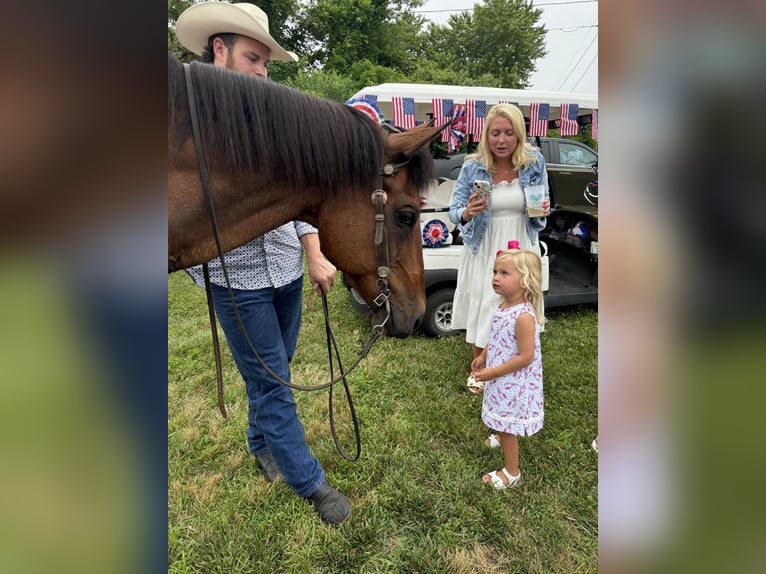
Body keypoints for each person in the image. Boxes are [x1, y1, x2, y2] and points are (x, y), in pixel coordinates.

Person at [175, 1, 350, 525]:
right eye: (254, 58)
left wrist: (314, 252)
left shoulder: (268, 121)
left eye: (267, 63)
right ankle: (311, 485)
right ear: (221, 50)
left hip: (284, 269)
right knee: (274, 380)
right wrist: (201, 265)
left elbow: (301, 197)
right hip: (237, 281)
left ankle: (259, 441)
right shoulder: (188, 123)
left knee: (275, 370)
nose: (262, 72)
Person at [448, 103, 550, 394]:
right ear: (486, 135)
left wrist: (543, 209)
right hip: (485, 245)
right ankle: (480, 370)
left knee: (519, 305)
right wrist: (467, 213)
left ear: (519, 135)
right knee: (486, 302)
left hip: (521, 244)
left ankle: (516, 361)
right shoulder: (473, 166)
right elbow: (454, 211)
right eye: (495, 133)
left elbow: (542, 206)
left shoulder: (533, 163)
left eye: (508, 133)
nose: (501, 140)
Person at [471, 247, 545, 489]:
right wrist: (483, 355)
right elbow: (496, 338)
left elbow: (526, 357)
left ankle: (512, 472)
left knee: (507, 422)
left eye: (504, 273)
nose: (495, 277)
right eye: (495, 271)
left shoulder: (523, 317)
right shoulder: (501, 307)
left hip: (514, 382)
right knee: (497, 410)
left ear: (525, 281)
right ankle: (500, 435)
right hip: (500, 377)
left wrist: (492, 373)